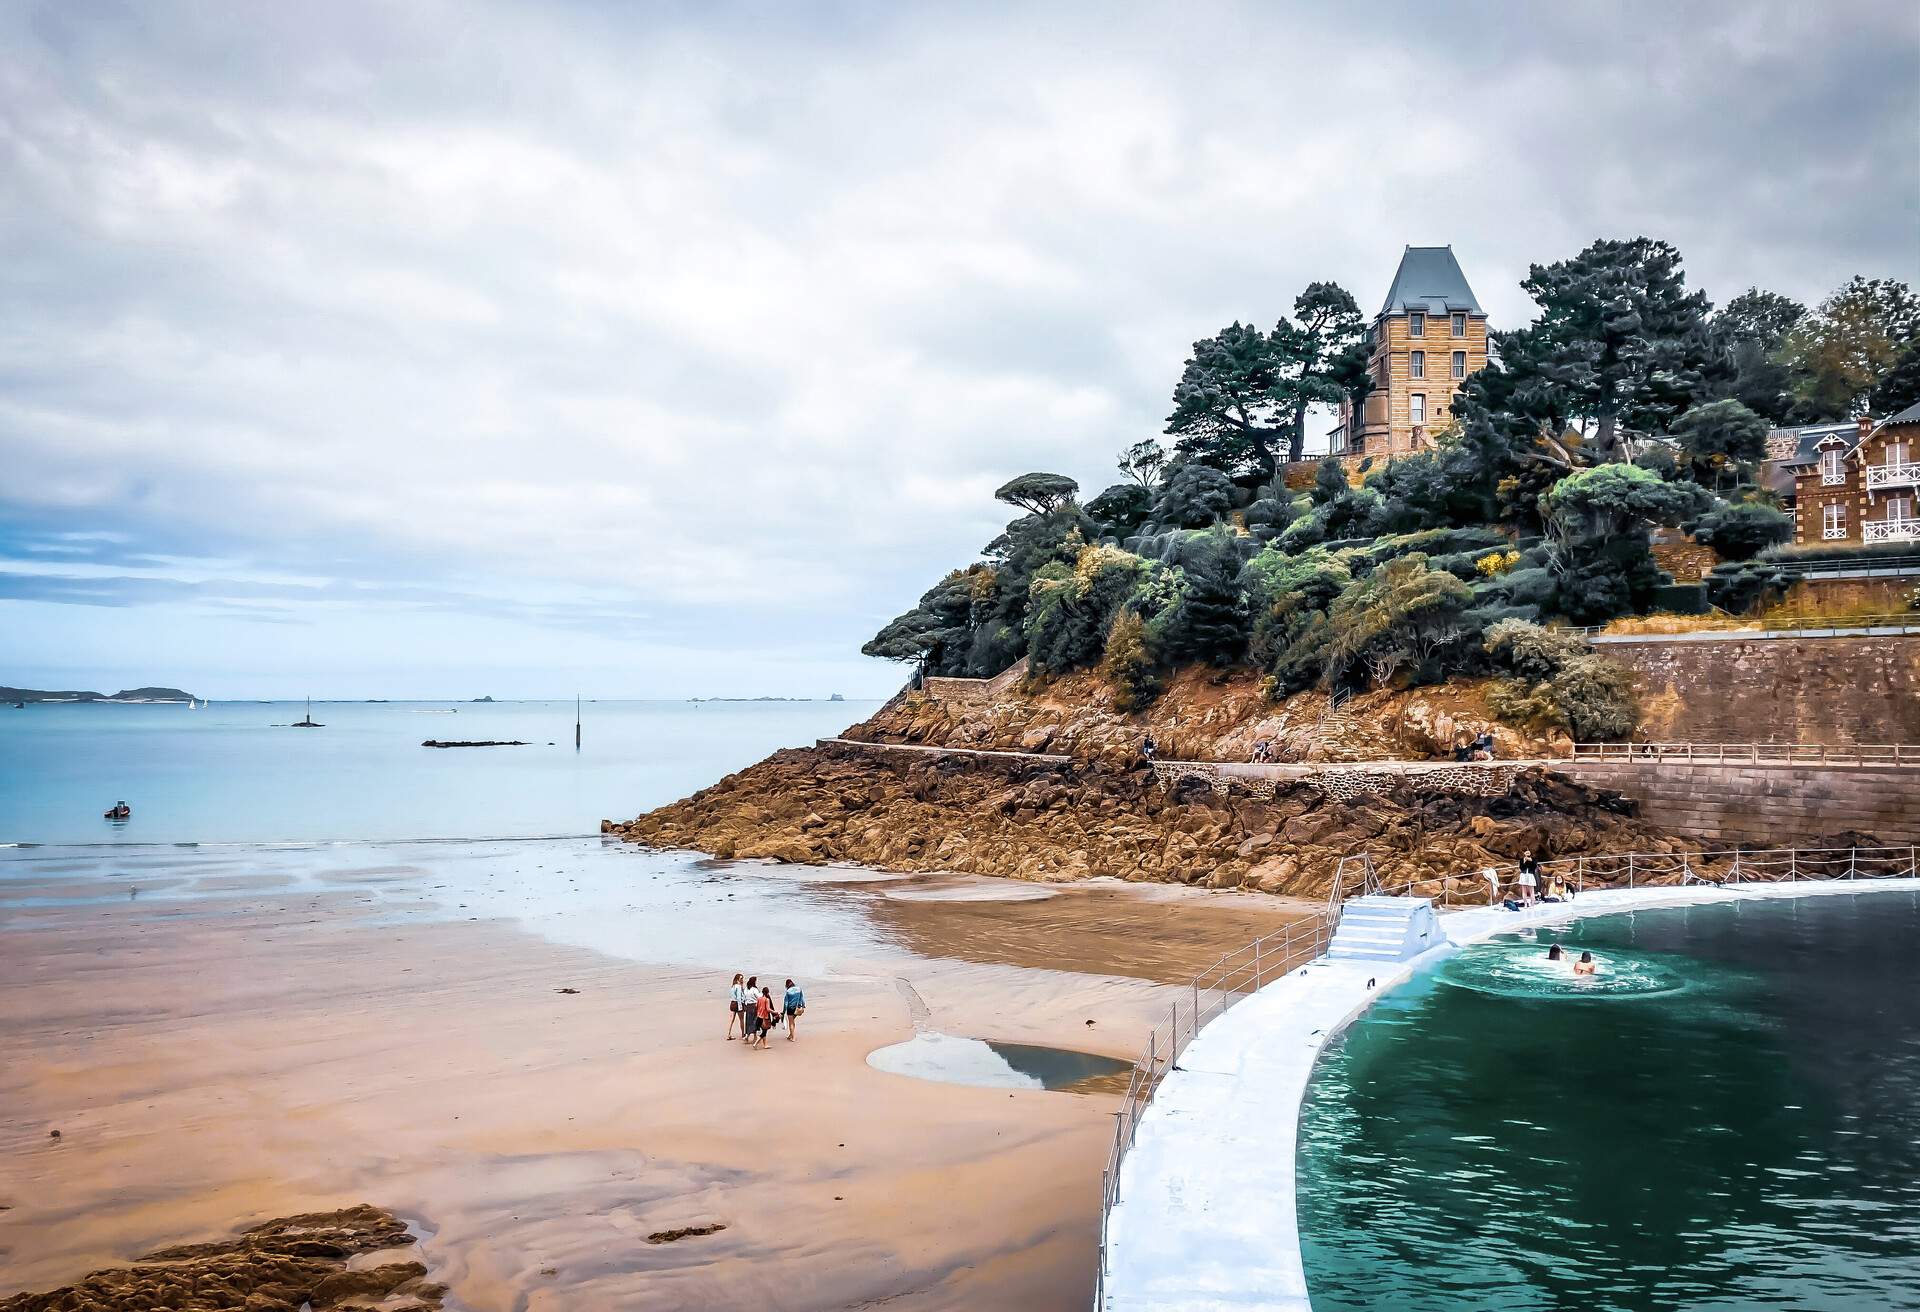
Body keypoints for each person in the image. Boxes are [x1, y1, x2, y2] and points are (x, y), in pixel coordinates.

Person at [753, 986, 776, 1050]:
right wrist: (775, 1012)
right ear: (768, 993)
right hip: (765, 1017)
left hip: (759, 1017)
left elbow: (756, 1007)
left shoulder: (759, 999)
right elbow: (768, 1009)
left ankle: (765, 1044)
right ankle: (755, 1043)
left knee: (763, 1031)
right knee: (764, 1031)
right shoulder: (767, 999)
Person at [727, 972, 747, 1041]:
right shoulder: (738, 986)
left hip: (732, 1003)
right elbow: (739, 997)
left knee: (731, 1020)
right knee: (741, 1020)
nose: (742, 980)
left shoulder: (733, 986)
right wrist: (740, 1006)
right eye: (741, 978)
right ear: (738, 979)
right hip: (738, 1003)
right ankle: (743, 1034)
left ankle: (728, 1034)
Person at [742, 975, 761, 1044]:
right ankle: (752, 1036)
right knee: (755, 1021)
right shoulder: (754, 989)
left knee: (748, 1021)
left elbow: (744, 999)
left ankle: (748, 1035)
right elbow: (759, 997)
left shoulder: (746, 989)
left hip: (748, 1007)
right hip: (754, 1006)